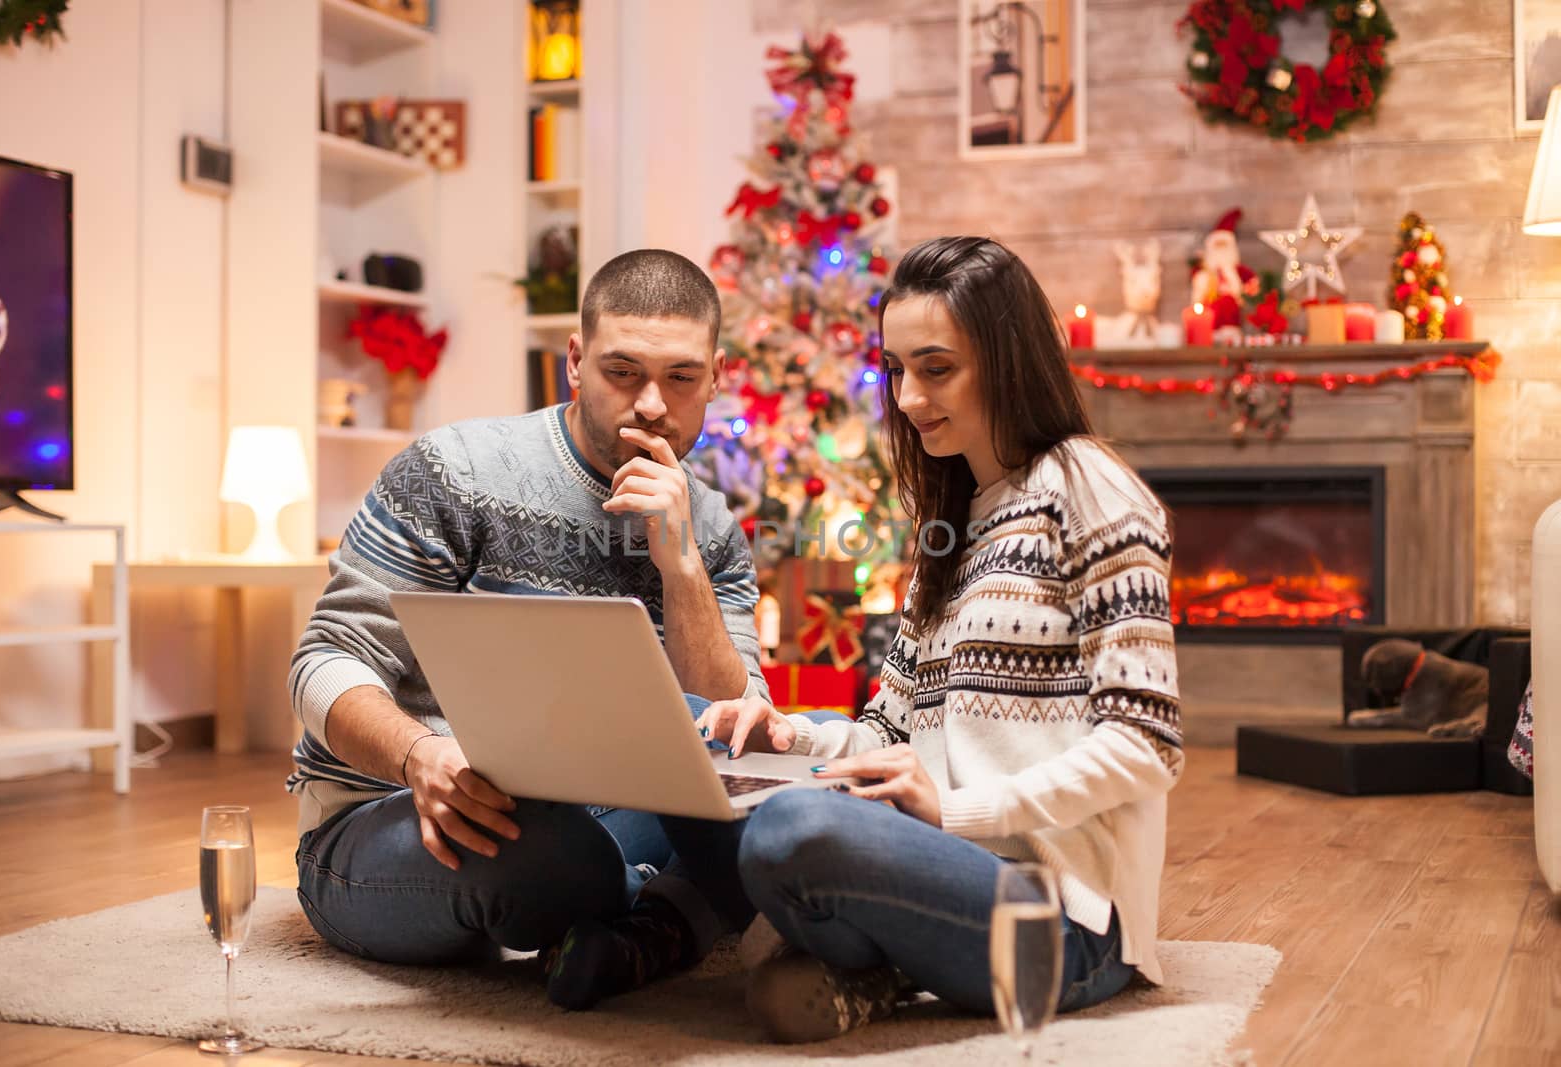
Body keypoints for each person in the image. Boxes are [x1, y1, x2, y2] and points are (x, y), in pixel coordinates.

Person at [698, 235, 1185, 1043]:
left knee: (787, 834)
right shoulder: (950, 527)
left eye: (936, 367)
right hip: (947, 868)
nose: (909, 396)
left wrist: (960, 809)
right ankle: (885, 967)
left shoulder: (1090, 489)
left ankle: (863, 962)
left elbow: (1147, 743)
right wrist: (794, 737)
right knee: (705, 739)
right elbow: (890, 736)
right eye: (895, 370)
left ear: (1006, 359)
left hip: (1068, 922)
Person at [286, 248, 762, 1009]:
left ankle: (638, 920)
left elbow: (733, 728)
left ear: (716, 377)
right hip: (406, 813)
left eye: (679, 377)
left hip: (601, 806)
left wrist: (682, 566)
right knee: (558, 860)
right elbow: (322, 661)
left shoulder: (711, 528)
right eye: (622, 371)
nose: (649, 404)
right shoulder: (454, 469)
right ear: (575, 361)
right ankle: (670, 906)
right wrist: (420, 756)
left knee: (796, 775)